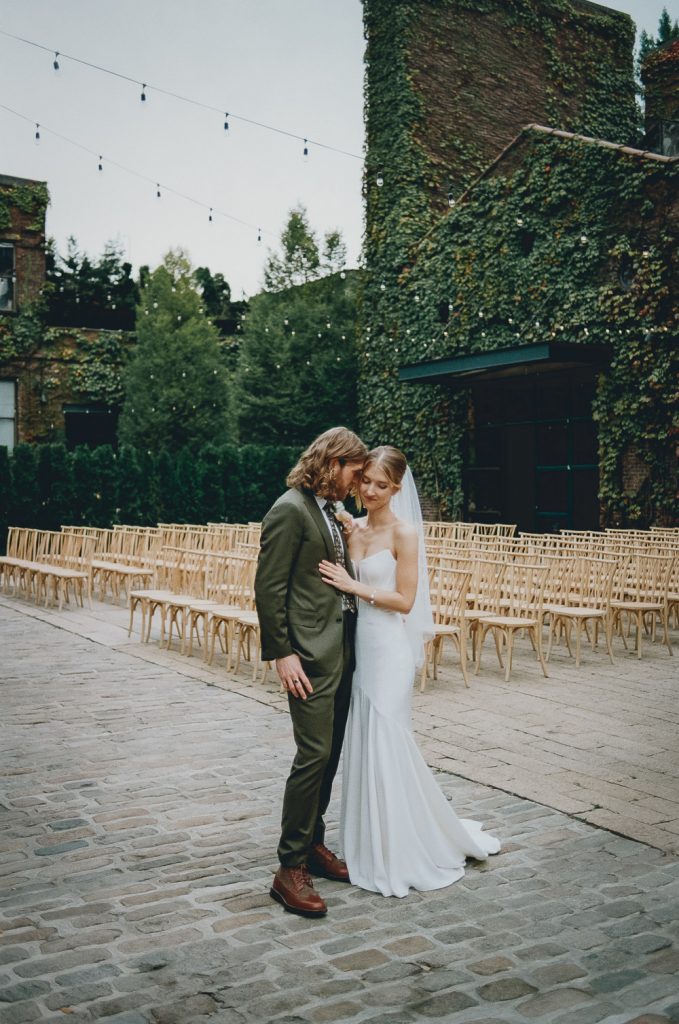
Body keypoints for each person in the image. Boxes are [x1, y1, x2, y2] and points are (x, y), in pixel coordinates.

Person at [319, 446, 500, 897]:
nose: (371, 491)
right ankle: (371, 841)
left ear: (397, 488)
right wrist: (345, 531)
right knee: (365, 743)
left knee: (387, 738)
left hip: (390, 650)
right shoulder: (353, 528)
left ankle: (403, 847)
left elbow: (404, 601)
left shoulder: (406, 533)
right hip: (360, 652)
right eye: (366, 482)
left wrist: (352, 584)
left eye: (382, 485)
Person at [255, 426, 368, 917]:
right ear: (332, 463)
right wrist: (283, 654)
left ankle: (314, 844)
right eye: (354, 473)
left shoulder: (326, 511)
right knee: (313, 753)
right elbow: (268, 589)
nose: (357, 484)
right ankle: (289, 868)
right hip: (308, 655)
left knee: (332, 752)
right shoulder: (288, 509)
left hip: (342, 647)